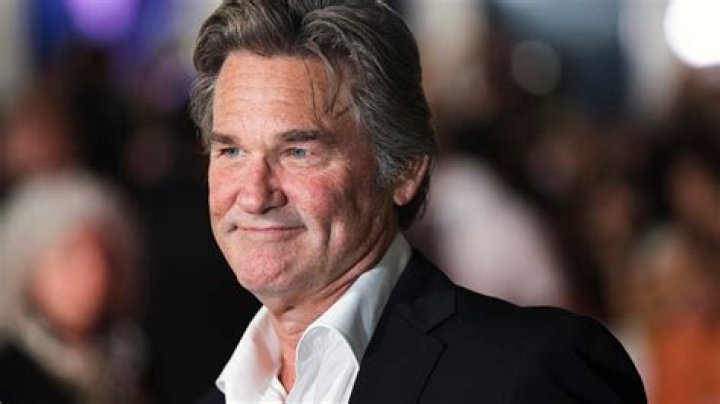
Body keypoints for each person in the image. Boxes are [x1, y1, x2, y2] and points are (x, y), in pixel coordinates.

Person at [190, 1, 646, 403]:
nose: (254, 194)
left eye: (298, 152)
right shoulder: (221, 397)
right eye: (231, 151)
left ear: (404, 171)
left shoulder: (530, 371)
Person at [0, 172, 150, 404]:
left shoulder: (135, 360)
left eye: (102, 258)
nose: (92, 276)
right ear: (26, 268)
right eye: (69, 257)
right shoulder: (11, 378)